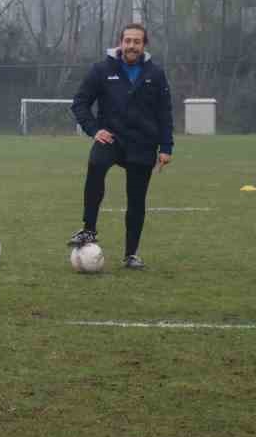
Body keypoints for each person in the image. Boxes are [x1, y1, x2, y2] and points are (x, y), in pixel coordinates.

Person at [67, 23, 175, 269]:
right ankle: (89, 229)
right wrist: (95, 130)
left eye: (137, 42)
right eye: (127, 41)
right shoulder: (102, 70)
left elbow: (164, 113)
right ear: (120, 43)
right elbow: (80, 103)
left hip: (143, 144)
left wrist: (166, 147)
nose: (131, 46)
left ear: (144, 45)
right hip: (112, 139)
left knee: (137, 200)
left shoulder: (155, 75)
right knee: (96, 163)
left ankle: (131, 255)